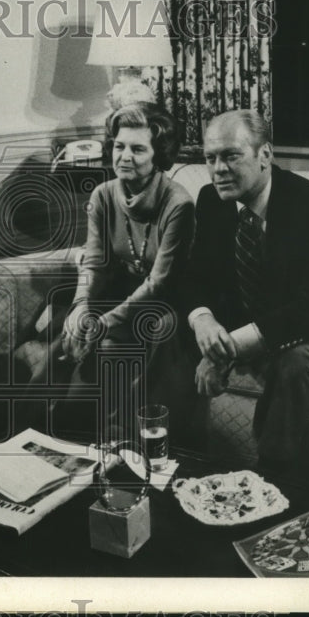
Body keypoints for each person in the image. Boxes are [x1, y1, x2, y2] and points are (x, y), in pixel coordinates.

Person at [185, 109, 309, 470]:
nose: (218, 169)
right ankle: (180, 464)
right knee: (169, 329)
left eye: (231, 155)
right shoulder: (211, 200)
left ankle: (274, 481)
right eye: (210, 158)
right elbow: (197, 278)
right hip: (263, 319)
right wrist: (203, 321)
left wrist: (224, 350)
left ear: (265, 154)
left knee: (294, 360)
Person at [53, 102, 196, 437]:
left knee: (154, 327)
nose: (124, 156)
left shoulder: (179, 204)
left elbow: (160, 283)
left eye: (138, 149)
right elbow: (94, 262)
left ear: (158, 154)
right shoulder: (103, 195)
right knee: (63, 344)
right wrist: (81, 306)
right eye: (119, 146)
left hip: (164, 306)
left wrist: (103, 323)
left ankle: (140, 434)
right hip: (118, 297)